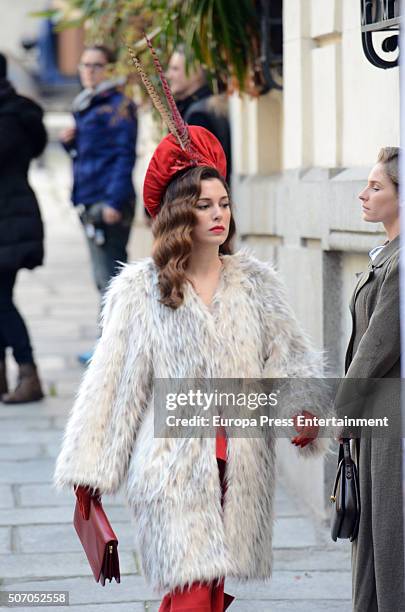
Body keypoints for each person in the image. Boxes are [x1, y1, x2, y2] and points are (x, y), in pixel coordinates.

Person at [54, 97, 331, 606]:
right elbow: (113, 382)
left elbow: (290, 357)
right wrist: (89, 472)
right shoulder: (140, 290)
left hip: (242, 462)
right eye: (204, 205)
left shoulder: (255, 283)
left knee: (212, 588)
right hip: (170, 466)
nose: (218, 214)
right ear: (180, 211)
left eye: (223, 202)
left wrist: (304, 409)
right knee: (192, 592)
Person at [338, 147, 404, 611]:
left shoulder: (400, 264)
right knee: (374, 545)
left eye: (377, 187)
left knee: (388, 547)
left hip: (391, 421)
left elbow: (377, 348)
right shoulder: (388, 256)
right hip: (378, 419)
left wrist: (341, 411)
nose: (363, 194)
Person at [60, 45, 137, 364]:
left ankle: (113, 349)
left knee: (111, 279)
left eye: (97, 65)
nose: (90, 71)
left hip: (108, 203)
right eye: (85, 64)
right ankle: (109, 345)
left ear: (110, 69)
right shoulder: (89, 104)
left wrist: (114, 201)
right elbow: (93, 155)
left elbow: (123, 155)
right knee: (102, 278)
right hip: (90, 199)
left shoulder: (117, 106)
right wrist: (72, 143)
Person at [0, 53, 46, 404]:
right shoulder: (17, 111)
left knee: (1, 300)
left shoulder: (9, 117)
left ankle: (29, 372)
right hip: (13, 214)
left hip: (8, 219)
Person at [167, 48, 232, 183]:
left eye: (175, 69)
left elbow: (197, 175)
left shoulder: (198, 115)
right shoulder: (204, 106)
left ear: (195, 72)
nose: (169, 75)